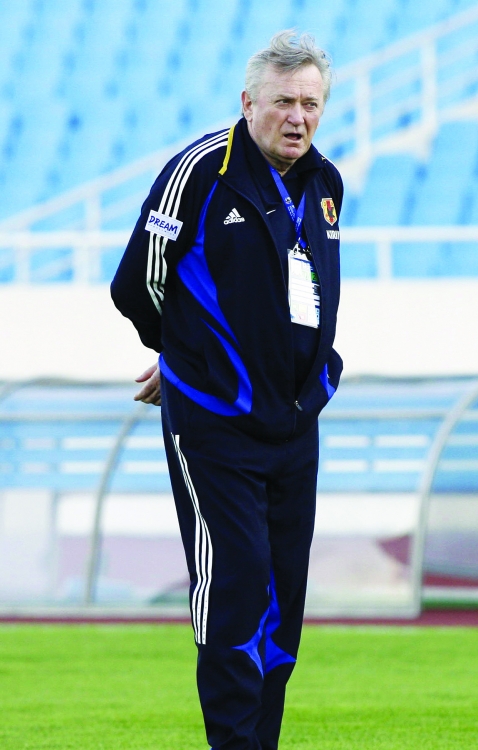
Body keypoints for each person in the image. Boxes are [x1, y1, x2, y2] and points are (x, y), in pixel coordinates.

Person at [111, 30, 343, 750]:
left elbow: (306, 297)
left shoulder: (326, 184)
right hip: (215, 425)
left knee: (283, 599)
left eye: (310, 104)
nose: (297, 118)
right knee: (235, 585)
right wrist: (184, 356)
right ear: (248, 102)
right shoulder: (200, 172)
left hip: (296, 424)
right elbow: (136, 285)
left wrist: (321, 373)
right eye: (283, 102)